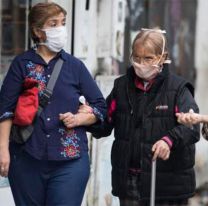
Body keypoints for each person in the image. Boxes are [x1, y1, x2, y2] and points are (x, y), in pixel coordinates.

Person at [79, 28, 200, 206]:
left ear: (162, 56)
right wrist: (90, 116)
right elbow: (105, 123)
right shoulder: (121, 87)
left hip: (168, 186)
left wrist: (169, 140)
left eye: (148, 58)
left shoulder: (179, 89)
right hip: (129, 181)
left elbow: (192, 128)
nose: (141, 63)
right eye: (136, 58)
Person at [0, 2, 106, 206]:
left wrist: (81, 118)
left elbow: (101, 107)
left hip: (70, 161)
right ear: (38, 31)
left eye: (63, 23)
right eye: (54, 23)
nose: (61, 29)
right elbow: (5, 110)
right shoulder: (21, 65)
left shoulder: (75, 66)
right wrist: (3, 150)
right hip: (26, 159)